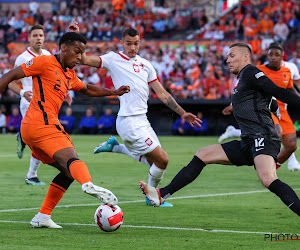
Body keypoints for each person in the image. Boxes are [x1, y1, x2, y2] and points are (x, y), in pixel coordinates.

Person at [139, 43, 300, 219]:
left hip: (262, 137)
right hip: (248, 141)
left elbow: (276, 91)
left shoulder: (251, 72)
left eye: (232, 55)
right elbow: (269, 99)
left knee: (268, 179)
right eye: (227, 56)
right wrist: (272, 106)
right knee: (203, 154)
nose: (227, 59)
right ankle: (161, 194)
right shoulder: (242, 79)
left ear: (246, 57)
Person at [0, 32, 130, 228]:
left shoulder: (69, 74)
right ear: (63, 48)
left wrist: (113, 92)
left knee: (68, 172)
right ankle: (88, 184)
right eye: (77, 52)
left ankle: (43, 216)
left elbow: (87, 89)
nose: (80, 57)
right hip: (41, 123)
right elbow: (10, 75)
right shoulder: (43, 62)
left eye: (82, 53)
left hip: (32, 129)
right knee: (72, 159)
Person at [80, 28, 201, 207]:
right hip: (128, 121)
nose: (132, 47)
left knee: (156, 163)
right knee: (163, 160)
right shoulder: (113, 59)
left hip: (143, 121)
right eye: (128, 43)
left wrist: (183, 113)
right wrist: (78, 37)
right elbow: (83, 59)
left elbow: (161, 92)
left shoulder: (145, 64)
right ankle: (152, 196)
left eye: (136, 43)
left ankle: (117, 149)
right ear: (122, 43)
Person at [219, 43, 300, 171]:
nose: (273, 57)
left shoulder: (287, 71)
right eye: (270, 55)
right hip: (266, 109)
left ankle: (272, 168)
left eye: (276, 55)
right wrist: (232, 105)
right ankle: (265, 167)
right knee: (277, 133)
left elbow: (291, 89)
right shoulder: (258, 70)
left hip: (282, 110)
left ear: (282, 57)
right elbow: (243, 90)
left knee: (292, 145)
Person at [8, 24, 51, 185]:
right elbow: (10, 81)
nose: (38, 38)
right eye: (35, 35)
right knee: (40, 141)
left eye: (41, 35)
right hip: (29, 103)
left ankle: (23, 136)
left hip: (46, 103)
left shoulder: (47, 55)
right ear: (29, 38)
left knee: (41, 140)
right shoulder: (23, 58)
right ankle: (31, 176)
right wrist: (22, 93)